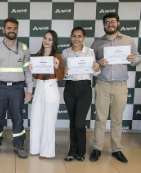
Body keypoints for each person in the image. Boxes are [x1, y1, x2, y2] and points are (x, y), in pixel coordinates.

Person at [89, 12, 141, 163]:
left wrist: (134, 59)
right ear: (103, 25)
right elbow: (91, 62)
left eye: (112, 22)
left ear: (118, 23)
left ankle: (116, 149)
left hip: (120, 85)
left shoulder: (128, 40)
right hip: (103, 84)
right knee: (100, 119)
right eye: (106, 22)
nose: (109, 25)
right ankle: (97, 148)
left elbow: (137, 57)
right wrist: (99, 61)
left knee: (117, 120)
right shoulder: (98, 42)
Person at [0, 18, 33, 159]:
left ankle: (19, 144)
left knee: (17, 118)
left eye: (15, 28)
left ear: (17, 30)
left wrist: (29, 89)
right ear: (4, 30)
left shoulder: (24, 48)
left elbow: (28, 71)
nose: (12, 31)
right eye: (9, 28)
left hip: (17, 89)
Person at [62, 27, 100, 162]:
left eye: (79, 36)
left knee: (79, 123)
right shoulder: (65, 52)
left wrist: (97, 68)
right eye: (74, 36)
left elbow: (94, 72)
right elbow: (63, 74)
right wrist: (64, 70)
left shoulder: (90, 52)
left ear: (83, 38)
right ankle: (72, 151)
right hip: (70, 88)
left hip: (85, 88)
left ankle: (81, 151)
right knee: (73, 122)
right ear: (71, 37)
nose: (76, 39)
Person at [29, 30, 64, 159]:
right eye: (45, 38)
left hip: (51, 87)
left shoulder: (58, 57)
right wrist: (32, 70)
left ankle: (47, 152)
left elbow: (60, 78)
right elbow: (36, 76)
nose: (46, 41)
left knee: (49, 120)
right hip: (39, 87)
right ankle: (35, 148)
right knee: (36, 118)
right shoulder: (37, 56)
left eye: (50, 39)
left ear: (54, 42)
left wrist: (56, 67)